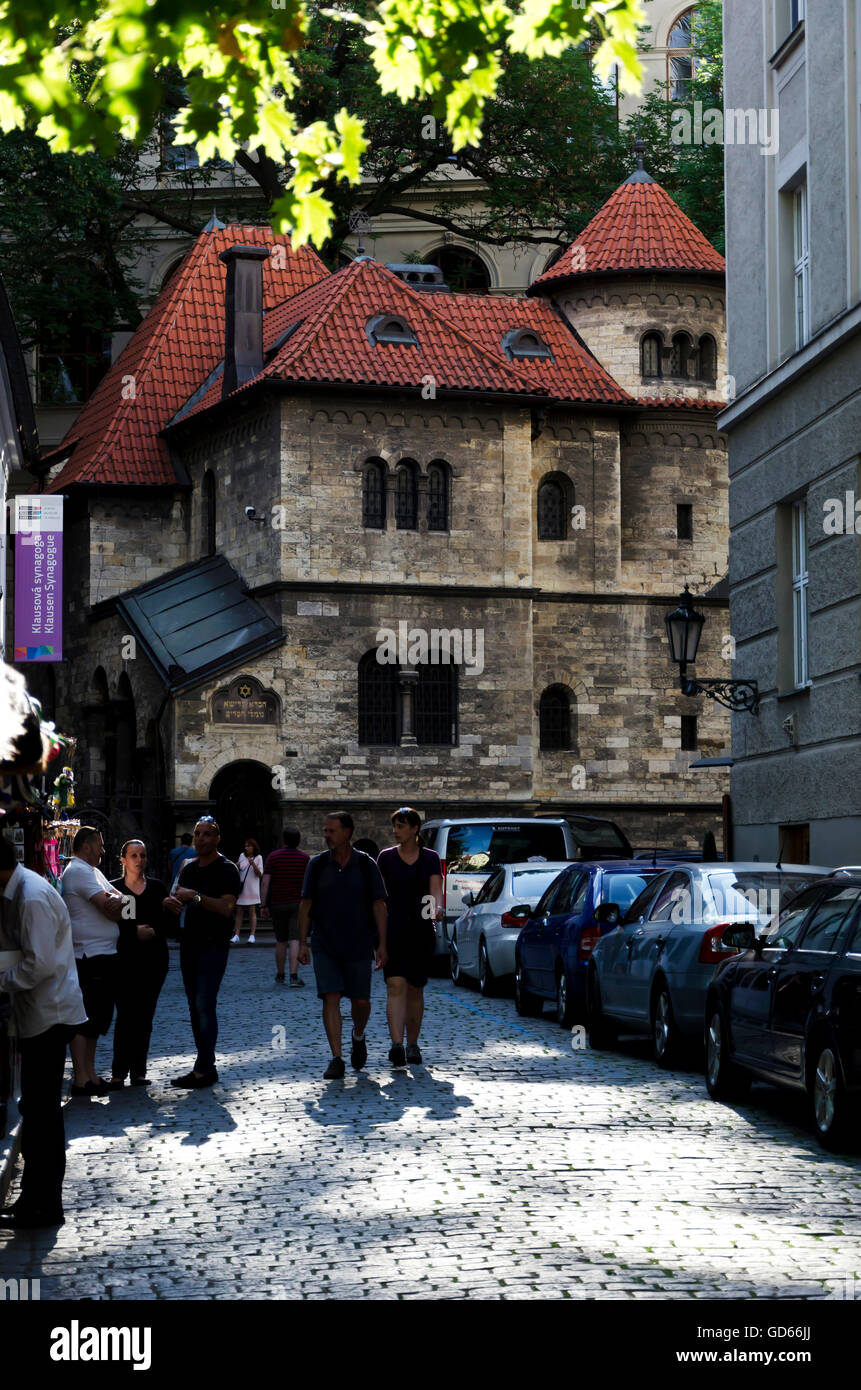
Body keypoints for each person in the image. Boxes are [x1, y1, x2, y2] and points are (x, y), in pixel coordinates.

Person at [0, 837, 87, 1229]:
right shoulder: (22, 891)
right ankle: (35, 1198)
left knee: (43, 1112)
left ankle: (45, 1203)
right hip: (42, 1013)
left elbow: (38, 964)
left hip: (49, 1015)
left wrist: (1, 980)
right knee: (38, 1111)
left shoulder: (31, 897)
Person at [298, 812, 388, 1079]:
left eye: (331, 831)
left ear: (347, 832)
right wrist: (301, 942)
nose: (326, 835)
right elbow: (306, 904)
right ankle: (336, 1057)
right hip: (325, 943)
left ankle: (358, 1035)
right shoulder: (316, 865)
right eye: (325, 831)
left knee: (361, 1001)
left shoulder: (365, 864)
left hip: (359, 943)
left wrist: (382, 944)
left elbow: (379, 904)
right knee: (331, 996)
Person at [163, 817, 240, 1088]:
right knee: (194, 1006)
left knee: (205, 1004)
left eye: (206, 835)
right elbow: (178, 899)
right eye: (197, 834)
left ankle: (205, 1067)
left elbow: (226, 908)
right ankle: (204, 1064)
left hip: (214, 945)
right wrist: (171, 904)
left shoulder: (227, 869)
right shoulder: (189, 868)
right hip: (190, 944)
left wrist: (194, 897)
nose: (200, 839)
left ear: (217, 838)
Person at [377, 808, 443, 1067]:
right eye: (394, 826)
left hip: (420, 931)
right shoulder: (385, 858)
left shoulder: (430, 858)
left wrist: (436, 909)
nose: (396, 831)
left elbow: (435, 890)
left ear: (415, 829)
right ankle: (397, 1045)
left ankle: (413, 1043)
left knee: (415, 990)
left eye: (401, 826)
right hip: (392, 930)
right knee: (395, 986)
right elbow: (379, 898)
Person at [61, 827, 125, 1096]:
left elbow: (126, 905)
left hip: (103, 953)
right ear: (86, 847)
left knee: (97, 1018)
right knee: (84, 1018)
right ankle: (81, 1077)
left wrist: (118, 903)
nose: (103, 850)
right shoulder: (78, 871)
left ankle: (90, 1073)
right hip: (88, 954)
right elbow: (106, 903)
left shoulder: (94, 872)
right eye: (99, 845)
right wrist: (117, 903)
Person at [107, 840, 170, 1089]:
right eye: (133, 855)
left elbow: (168, 923)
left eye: (143, 855)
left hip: (153, 961)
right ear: (123, 860)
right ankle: (118, 1071)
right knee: (125, 1015)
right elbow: (112, 927)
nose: (139, 860)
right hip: (124, 961)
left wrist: (154, 931)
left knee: (145, 1016)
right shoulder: (115, 890)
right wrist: (133, 934)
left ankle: (139, 1071)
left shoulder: (157, 888)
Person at [261, 827, 310, 986]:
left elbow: (265, 882)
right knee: (295, 939)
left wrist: (263, 904)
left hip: (277, 903)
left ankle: (280, 975)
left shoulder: (273, 857)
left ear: (283, 840)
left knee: (281, 940)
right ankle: (294, 976)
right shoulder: (304, 858)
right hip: (298, 903)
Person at [231, 838, 263, 944]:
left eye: (249, 846)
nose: (246, 848)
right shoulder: (241, 856)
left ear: (254, 847)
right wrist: (236, 866)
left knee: (251, 911)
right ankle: (236, 935)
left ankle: (252, 935)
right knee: (239, 911)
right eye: (245, 846)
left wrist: (253, 863)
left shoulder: (259, 857)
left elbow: (260, 874)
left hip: (252, 888)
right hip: (242, 888)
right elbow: (238, 869)